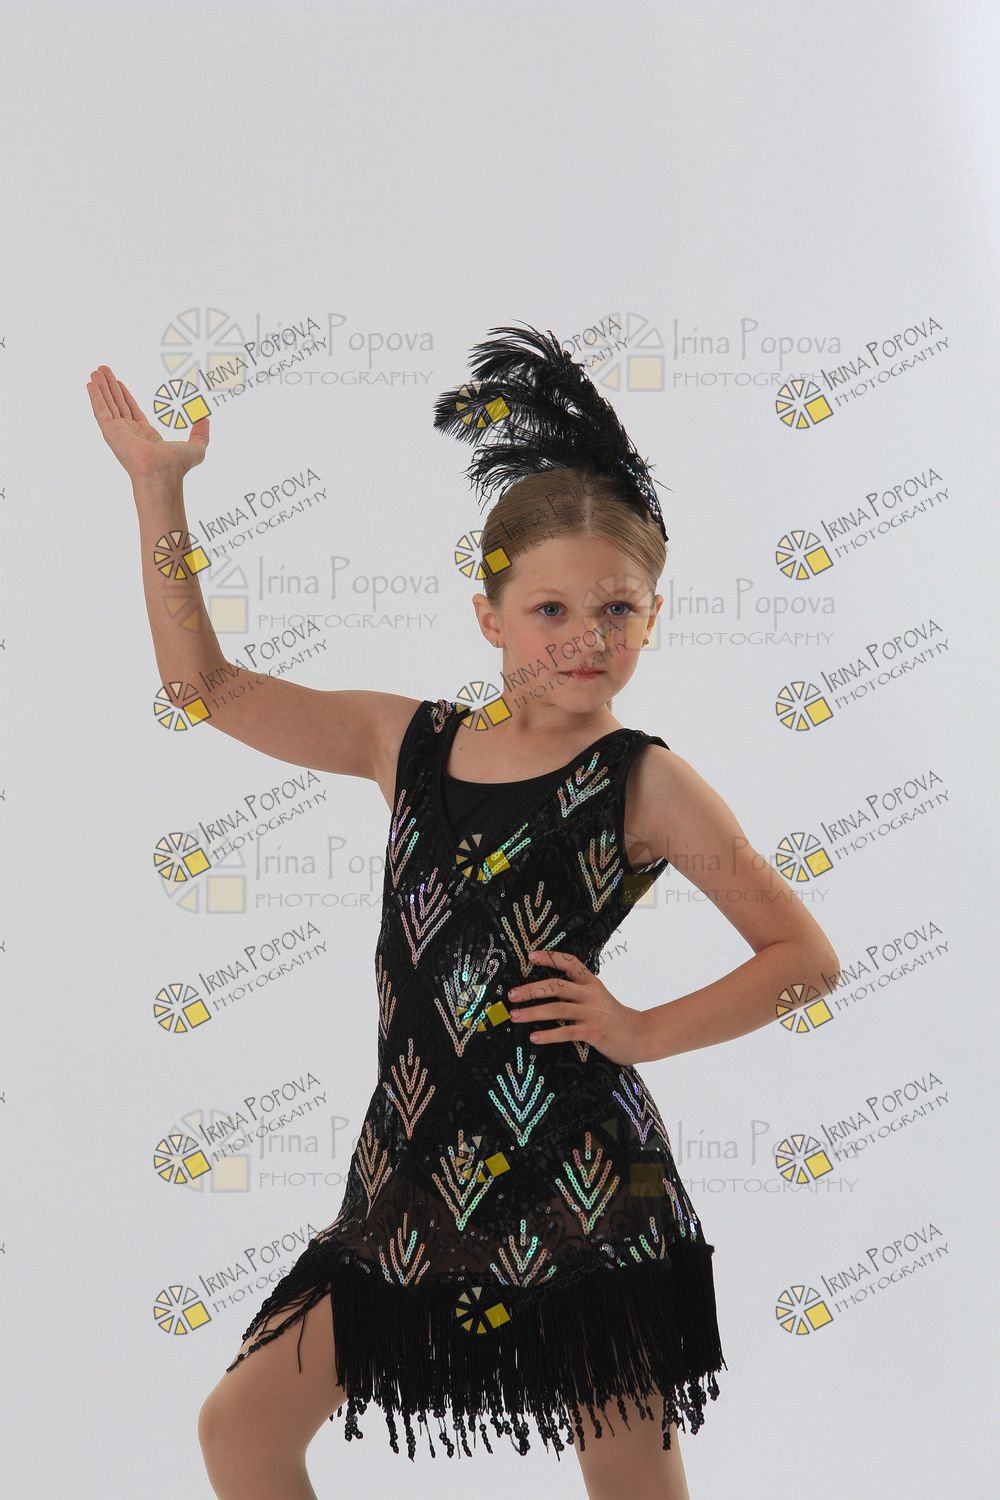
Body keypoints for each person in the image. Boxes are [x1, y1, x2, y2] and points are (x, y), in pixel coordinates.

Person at [87, 324, 840, 1500]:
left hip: (584, 1180)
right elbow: (204, 689)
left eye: (619, 609)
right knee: (242, 1428)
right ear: (489, 615)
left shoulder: (643, 781)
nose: (586, 637)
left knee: (630, 1480)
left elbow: (803, 954)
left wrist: (638, 1029)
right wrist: (157, 490)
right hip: (412, 1171)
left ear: (652, 617)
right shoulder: (407, 742)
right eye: (550, 609)